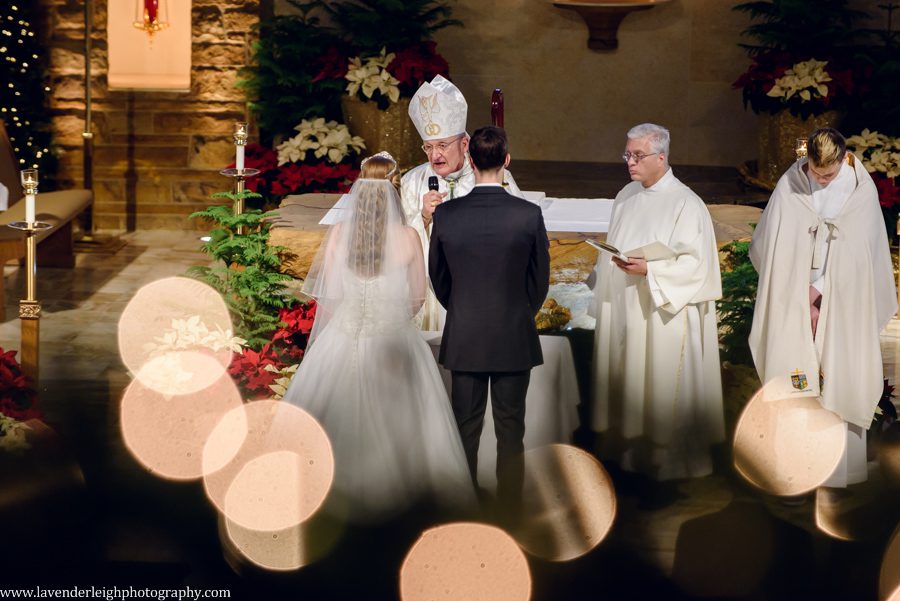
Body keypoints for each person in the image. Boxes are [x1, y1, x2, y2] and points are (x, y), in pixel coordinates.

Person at [281, 151, 475, 522]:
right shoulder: (407, 238)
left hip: (342, 337)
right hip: (394, 339)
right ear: (395, 190)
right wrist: (391, 317)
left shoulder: (339, 234)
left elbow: (332, 295)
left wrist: (354, 319)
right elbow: (419, 297)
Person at [749, 127, 897, 487]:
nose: (819, 179)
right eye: (814, 171)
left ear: (844, 159)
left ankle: (838, 472)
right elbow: (771, 244)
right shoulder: (792, 184)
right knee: (795, 370)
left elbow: (863, 256)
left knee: (838, 376)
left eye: (827, 174)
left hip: (842, 301)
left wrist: (820, 291)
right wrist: (796, 292)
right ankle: (796, 467)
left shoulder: (860, 192)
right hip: (793, 297)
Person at [590, 123, 725, 483]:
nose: (630, 162)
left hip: (664, 313)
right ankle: (627, 461)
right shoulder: (626, 195)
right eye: (627, 154)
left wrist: (650, 270)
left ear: (661, 157)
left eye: (638, 156)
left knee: (661, 387)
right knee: (630, 384)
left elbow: (697, 266)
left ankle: (668, 469)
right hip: (627, 307)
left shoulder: (687, 203)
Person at [428, 126, 549, 521]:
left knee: (465, 426)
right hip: (514, 333)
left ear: (472, 161)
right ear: (507, 162)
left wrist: (462, 309)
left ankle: (465, 509)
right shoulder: (528, 215)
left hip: (465, 335)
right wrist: (518, 312)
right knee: (511, 427)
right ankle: (511, 508)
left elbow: (439, 278)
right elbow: (539, 280)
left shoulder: (446, 214)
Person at [401, 75, 522, 331]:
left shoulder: (492, 174)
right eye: (428, 147)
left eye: (443, 145)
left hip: (482, 292)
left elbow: (517, 227)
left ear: (464, 143)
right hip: (429, 293)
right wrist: (422, 218)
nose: (435, 155)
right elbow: (397, 244)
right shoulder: (413, 181)